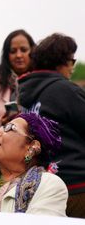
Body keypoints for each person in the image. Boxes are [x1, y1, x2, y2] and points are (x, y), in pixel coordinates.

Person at [18, 33, 85, 218]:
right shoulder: (65, 91)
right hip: (77, 187)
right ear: (61, 61)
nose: (73, 66)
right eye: (72, 60)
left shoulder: (26, 95)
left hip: (41, 188)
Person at [0, 30, 35, 149]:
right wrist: (0, 122)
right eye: (13, 51)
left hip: (31, 154)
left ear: (32, 52)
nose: (19, 55)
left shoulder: (41, 82)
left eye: (24, 50)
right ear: (6, 55)